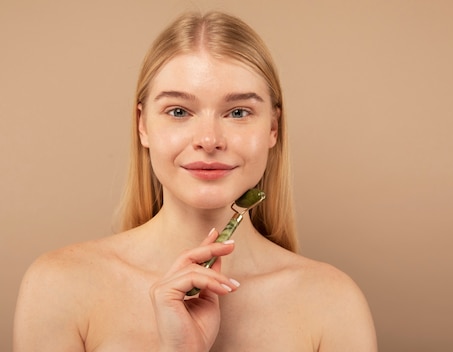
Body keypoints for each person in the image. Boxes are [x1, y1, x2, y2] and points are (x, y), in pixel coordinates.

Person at [13, 11, 377, 352]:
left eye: (238, 112)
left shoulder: (333, 302)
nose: (208, 139)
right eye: (179, 111)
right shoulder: (58, 286)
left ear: (273, 127)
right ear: (142, 125)